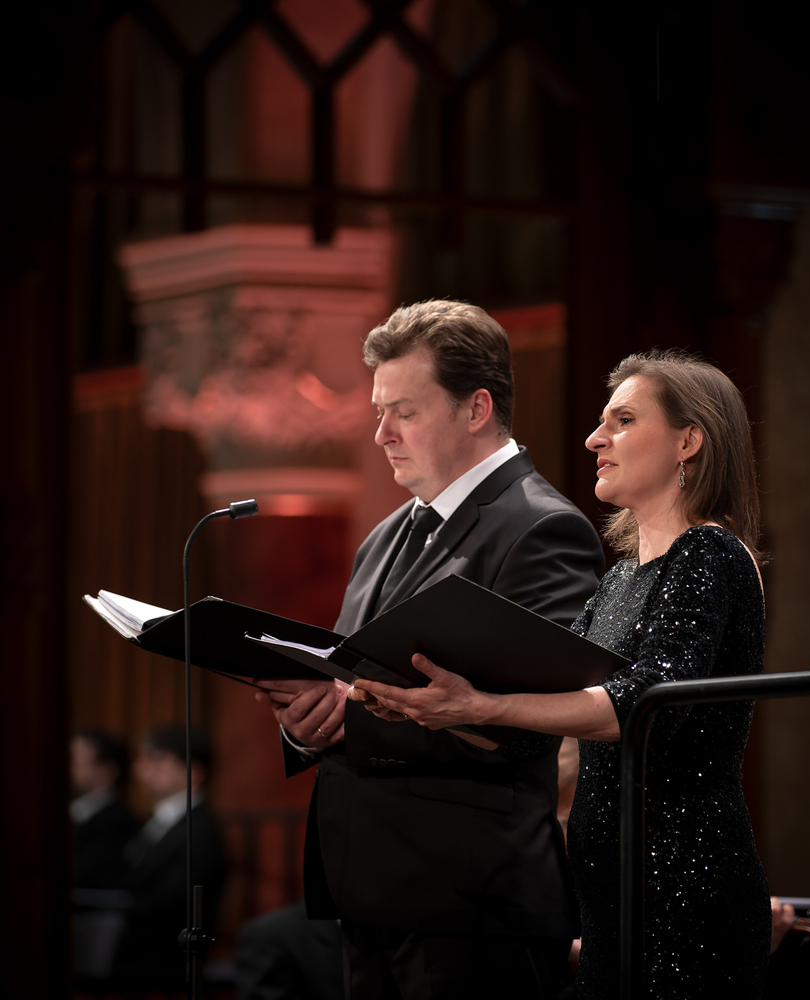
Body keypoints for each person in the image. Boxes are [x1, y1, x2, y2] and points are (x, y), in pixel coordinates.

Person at [351, 349, 773, 999]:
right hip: (609, 901)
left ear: (690, 439)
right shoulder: (618, 580)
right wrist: (427, 703)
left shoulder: (709, 552)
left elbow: (640, 703)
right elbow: (536, 713)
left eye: (624, 420)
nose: (594, 438)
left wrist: (481, 706)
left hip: (682, 884)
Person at [254, 299, 606, 999]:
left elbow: (528, 726)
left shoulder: (542, 529)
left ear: (476, 409)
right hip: (369, 889)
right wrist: (308, 724)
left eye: (404, 412)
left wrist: (348, 712)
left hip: (470, 898)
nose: (381, 433)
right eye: (379, 411)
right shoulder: (383, 536)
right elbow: (353, 682)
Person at [111, 725, 227, 989]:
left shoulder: (200, 831)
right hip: (134, 959)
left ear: (193, 772)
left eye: (156, 759)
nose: (141, 769)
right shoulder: (154, 821)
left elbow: (174, 904)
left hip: (164, 968)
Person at [70, 727, 141, 980]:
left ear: (105, 772)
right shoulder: (72, 815)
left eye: (75, 761)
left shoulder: (119, 823)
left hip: (91, 929)